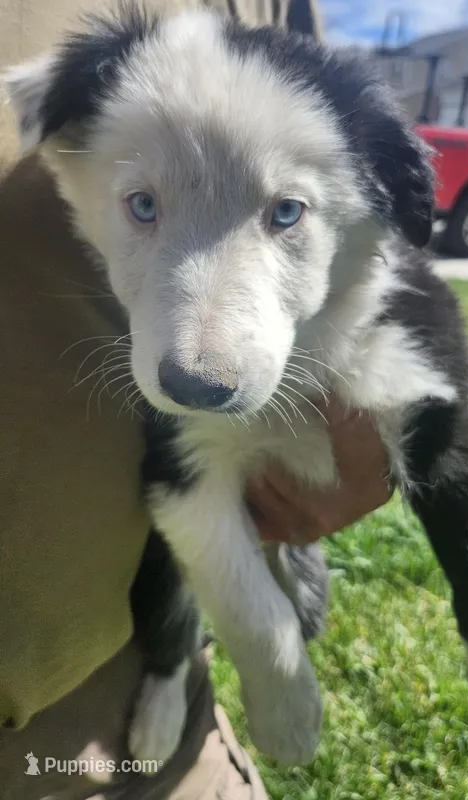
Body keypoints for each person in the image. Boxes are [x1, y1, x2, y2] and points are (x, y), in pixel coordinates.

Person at [0, 1, 392, 797]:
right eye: (142, 205)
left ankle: (176, 670)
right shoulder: (79, 89)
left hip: (105, 684)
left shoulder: (269, 24)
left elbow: (357, 201)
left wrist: (366, 427)